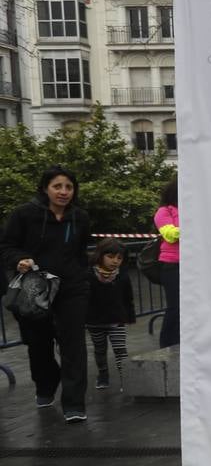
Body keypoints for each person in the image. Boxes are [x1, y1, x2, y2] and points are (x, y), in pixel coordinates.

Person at [0, 166, 93, 422]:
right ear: (45, 188)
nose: (64, 192)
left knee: (73, 345)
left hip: (72, 288)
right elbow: (7, 246)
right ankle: (46, 383)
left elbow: (81, 250)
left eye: (69, 187)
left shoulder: (80, 217)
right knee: (38, 344)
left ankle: (74, 404)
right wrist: (19, 259)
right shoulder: (24, 214)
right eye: (57, 186)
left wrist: (82, 276)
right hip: (34, 288)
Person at [86, 238, 136, 390]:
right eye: (111, 257)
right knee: (100, 349)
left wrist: (129, 316)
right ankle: (103, 375)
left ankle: (125, 379)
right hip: (94, 320)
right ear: (100, 255)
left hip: (116, 319)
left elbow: (128, 297)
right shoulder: (88, 274)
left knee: (120, 349)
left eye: (119, 258)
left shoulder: (122, 275)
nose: (115, 261)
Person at [154, 181, 180, 348]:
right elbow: (170, 235)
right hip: (172, 266)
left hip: (193, 264)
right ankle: (167, 343)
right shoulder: (163, 212)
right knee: (175, 306)